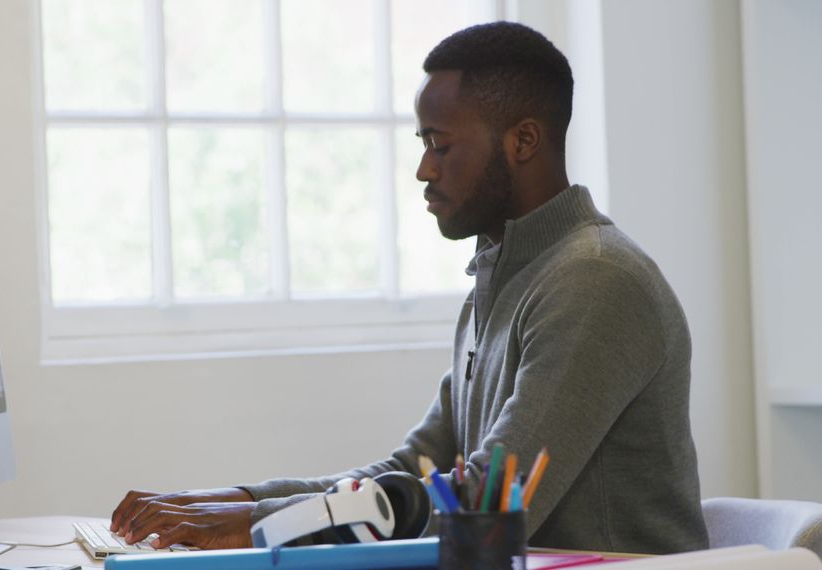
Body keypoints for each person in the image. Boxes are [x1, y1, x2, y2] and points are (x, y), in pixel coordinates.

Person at [108, 21, 709, 554]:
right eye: (423, 145)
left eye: (439, 145)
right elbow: (414, 471)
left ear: (522, 141)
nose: (424, 169)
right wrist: (235, 501)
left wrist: (261, 523)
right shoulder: (502, 281)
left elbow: (488, 500)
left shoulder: (595, 280)